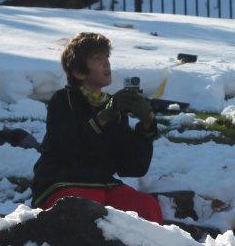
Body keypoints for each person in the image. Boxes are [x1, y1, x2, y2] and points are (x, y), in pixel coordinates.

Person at [30, 31, 164, 223]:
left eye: (107, 57)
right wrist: (102, 118)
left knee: (146, 207)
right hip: (62, 183)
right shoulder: (63, 100)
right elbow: (68, 145)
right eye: (97, 59)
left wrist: (146, 125)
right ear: (78, 72)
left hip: (103, 185)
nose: (106, 63)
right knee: (84, 209)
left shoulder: (113, 105)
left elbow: (132, 167)